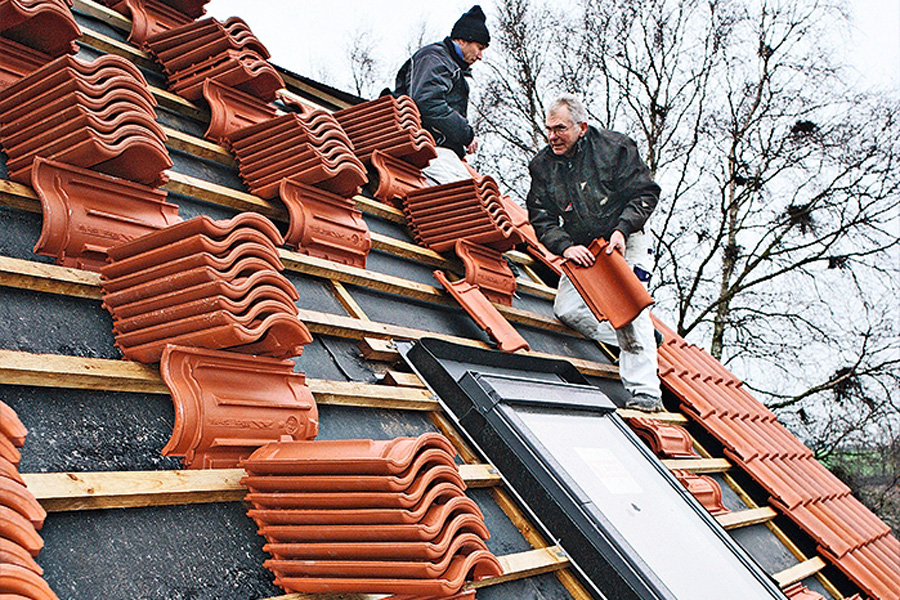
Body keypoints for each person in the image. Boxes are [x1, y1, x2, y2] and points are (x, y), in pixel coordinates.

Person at [526, 94, 664, 412]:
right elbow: (541, 217)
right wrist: (565, 247)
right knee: (568, 310)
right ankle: (645, 339)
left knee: (627, 309)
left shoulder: (615, 149)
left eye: (560, 129)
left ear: (582, 127)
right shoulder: (543, 166)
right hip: (585, 248)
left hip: (625, 239)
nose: (552, 136)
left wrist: (622, 230)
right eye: (549, 129)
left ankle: (646, 392)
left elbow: (645, 194)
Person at [392, 5, 489, 185]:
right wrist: (466, 134)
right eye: (479, 47)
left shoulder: (449, 64)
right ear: (462, 40)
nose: (480, 56)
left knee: (478, 194)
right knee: (463, 196)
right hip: (426, 148)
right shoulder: (435, 58)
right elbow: (428, 103)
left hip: (439, 150)